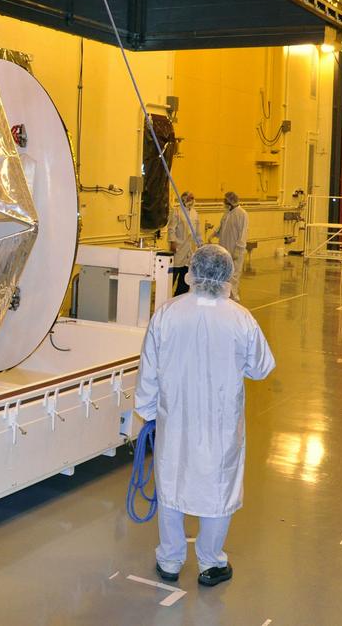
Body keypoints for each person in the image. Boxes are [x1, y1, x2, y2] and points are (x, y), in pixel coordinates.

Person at [135, 244, 276, 588]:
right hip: (221, 424)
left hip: (176, 420)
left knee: (171, 484)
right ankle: (211, 564)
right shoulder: (240, 318)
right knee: (219, 489)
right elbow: (260, 368)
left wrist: (149, 412)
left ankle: (170, 560)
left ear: (192, 272)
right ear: (227, 274)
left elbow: (148, 372)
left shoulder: (167, 314)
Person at [212, 191, 249, 301]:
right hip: (224, 249)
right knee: (223, 273)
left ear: (231, 202)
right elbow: (221, 227)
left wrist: (238, 249)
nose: (224, 203)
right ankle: (223, 295)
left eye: (225, 200)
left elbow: (243, 233)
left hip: (235, 250)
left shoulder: (242, 214)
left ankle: (233, 297)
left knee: (234, 275)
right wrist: (213, 234)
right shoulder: (227, 213)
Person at [168, 192, 200, 296]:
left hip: (190, 248)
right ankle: (167, 295)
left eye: (193, 198)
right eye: (190, 198)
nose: (192, 200)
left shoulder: (195, 213)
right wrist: (172, 242)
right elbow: (171, 228)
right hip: (179, 247)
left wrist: (200, 244)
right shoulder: (177, 211)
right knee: (174, 273)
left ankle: (180, 296)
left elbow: (197, 231)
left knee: (186, 275)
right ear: (184, 200)